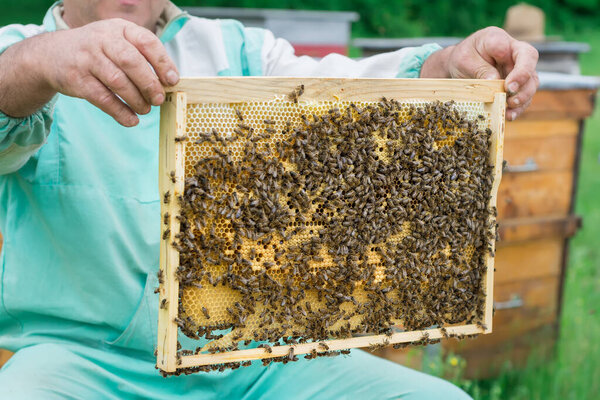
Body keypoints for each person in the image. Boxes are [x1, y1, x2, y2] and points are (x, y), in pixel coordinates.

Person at [0, 1, 538, 399]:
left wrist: (446, 66)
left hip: (251, 362)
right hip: (82, 366)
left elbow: (346, 90)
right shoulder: (26, 47)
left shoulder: (237, 49)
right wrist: (43, 61)